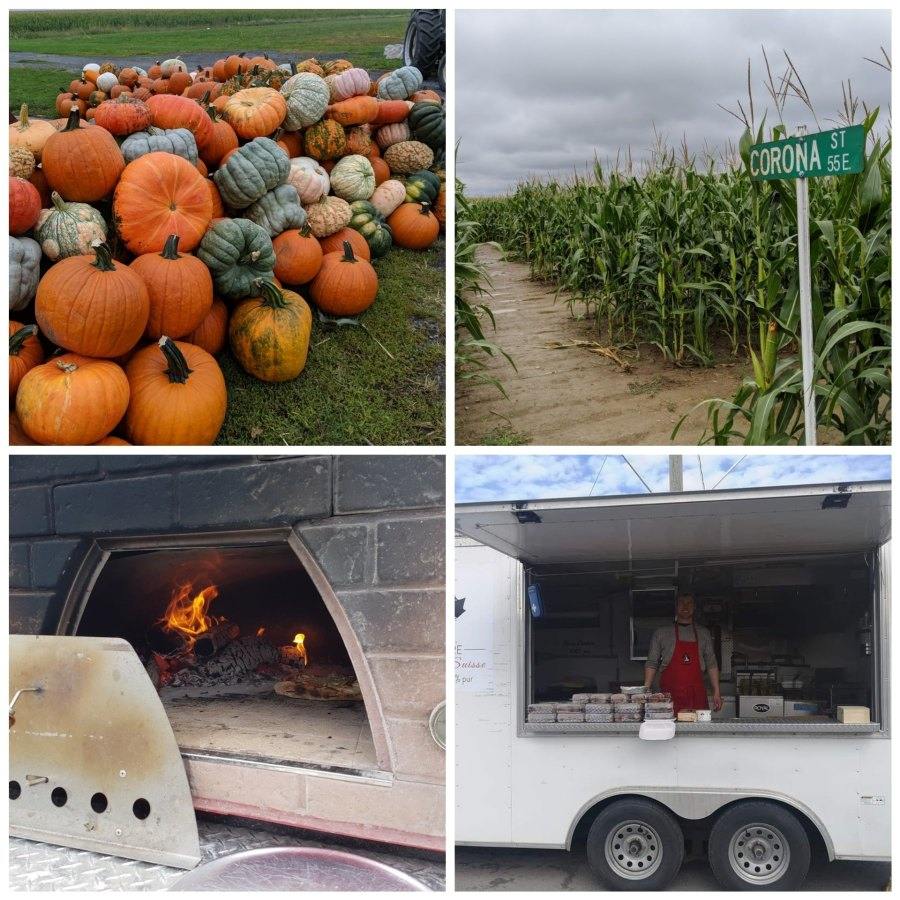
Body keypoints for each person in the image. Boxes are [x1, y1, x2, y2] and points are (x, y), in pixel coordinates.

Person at [643, 592, 723, 714]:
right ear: (676, 606)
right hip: (669, 697)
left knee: (698, 726)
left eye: (689, 603)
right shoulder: (661, 633)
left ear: (694, 607)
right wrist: (645, 691)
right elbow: (652, 663)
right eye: (681, 603)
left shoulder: (704, 633)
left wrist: (716, 692)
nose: (685, 606)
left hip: (697, 697)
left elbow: (711, 664)